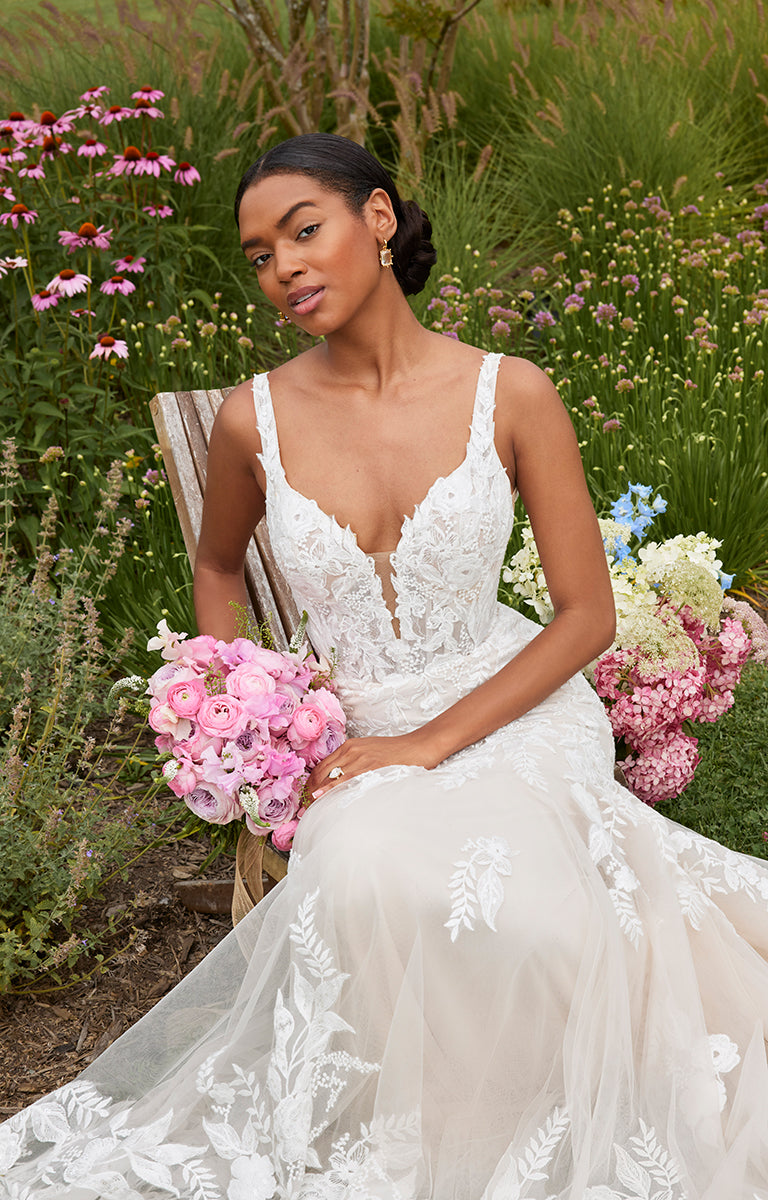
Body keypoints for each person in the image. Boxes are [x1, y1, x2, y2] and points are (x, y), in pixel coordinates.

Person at [2, 132, 768, 1199]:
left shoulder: (514, 392)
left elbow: (586, 616)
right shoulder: (249, 419)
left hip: (512, 705)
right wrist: (242, 708)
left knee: (532, 911)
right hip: (350, 728)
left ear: (376, 216)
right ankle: (432, 1136)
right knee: (370, 872)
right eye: (260, 256)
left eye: (302, 231)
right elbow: (218, 566)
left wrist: (426, 744)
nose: (283, 270)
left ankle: (527, 1138)